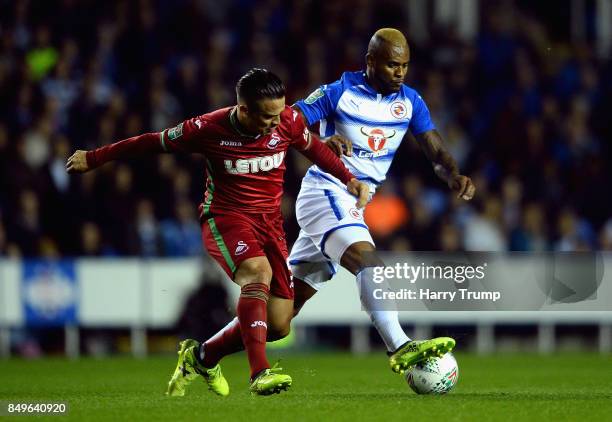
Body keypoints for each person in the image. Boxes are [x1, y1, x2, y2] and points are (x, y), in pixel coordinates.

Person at [66, 68, 369, 396]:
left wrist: (348, 178)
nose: (274, 122)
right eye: (266, 116)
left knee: (279, 323)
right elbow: (151, 142)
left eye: (278, 113)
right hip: (226, 219)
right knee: (257, 272)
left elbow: (315, 149)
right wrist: (94, 158)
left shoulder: (287, 121)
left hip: (270, 226)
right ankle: (259, 372)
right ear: (244, 110)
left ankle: (200, 357)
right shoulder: (208, 127)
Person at [288, 28, 476, 373]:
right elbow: (288, 123)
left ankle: (203, 355)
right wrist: (318, 142)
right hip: (326, 190)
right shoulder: (338, 92)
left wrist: (453, 174)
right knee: (368, 261)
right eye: (392, 65)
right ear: (370, 61)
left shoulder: (410, 102)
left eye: (404, 65)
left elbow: (434, 149)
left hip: (355, 201)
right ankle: (400, 345)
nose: (400, 72)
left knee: (280, 316)